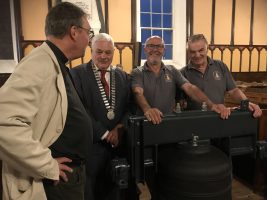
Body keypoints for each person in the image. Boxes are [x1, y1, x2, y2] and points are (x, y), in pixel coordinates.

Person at [0, 2, 93, 200]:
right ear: (74, 32)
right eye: (89, 33)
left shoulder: (55, 61)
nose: (89, 40)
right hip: (54, 183)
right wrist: (47, 165)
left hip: (68, 177)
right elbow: (3, 123)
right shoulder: (38, 63)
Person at [70, 33, 133, 200]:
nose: (104, 57)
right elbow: (79, 110)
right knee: (91, 190)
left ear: (113, 52)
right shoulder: (76, 75)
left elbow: (129, 107)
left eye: (108, 52)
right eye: (99, 52)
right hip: (92, 146)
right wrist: (105, 134)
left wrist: (120, 128)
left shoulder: (121, 76)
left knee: (116, 190)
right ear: (91, 50)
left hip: (118, 146)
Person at [131, 35, 230, 125]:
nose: (155, 49)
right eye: (151, 46)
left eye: (159, 46)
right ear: (145, 49)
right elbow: (137, 93)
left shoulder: (172, 70)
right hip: (145, 123)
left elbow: (190, 88)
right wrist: (148, 110)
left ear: (164, 50)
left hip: (169, 123)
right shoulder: (137, 72)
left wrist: (212, 105)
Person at [180, 34, 262, 118]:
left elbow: (233, 90)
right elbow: (179, 102)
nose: (197, 55)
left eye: (201, 50)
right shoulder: (182, 73)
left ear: (207, 49)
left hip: (220, 117)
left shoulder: (220, 66)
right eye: (193, 52)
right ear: (188, 52)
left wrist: (246, 103)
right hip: (194, 121)